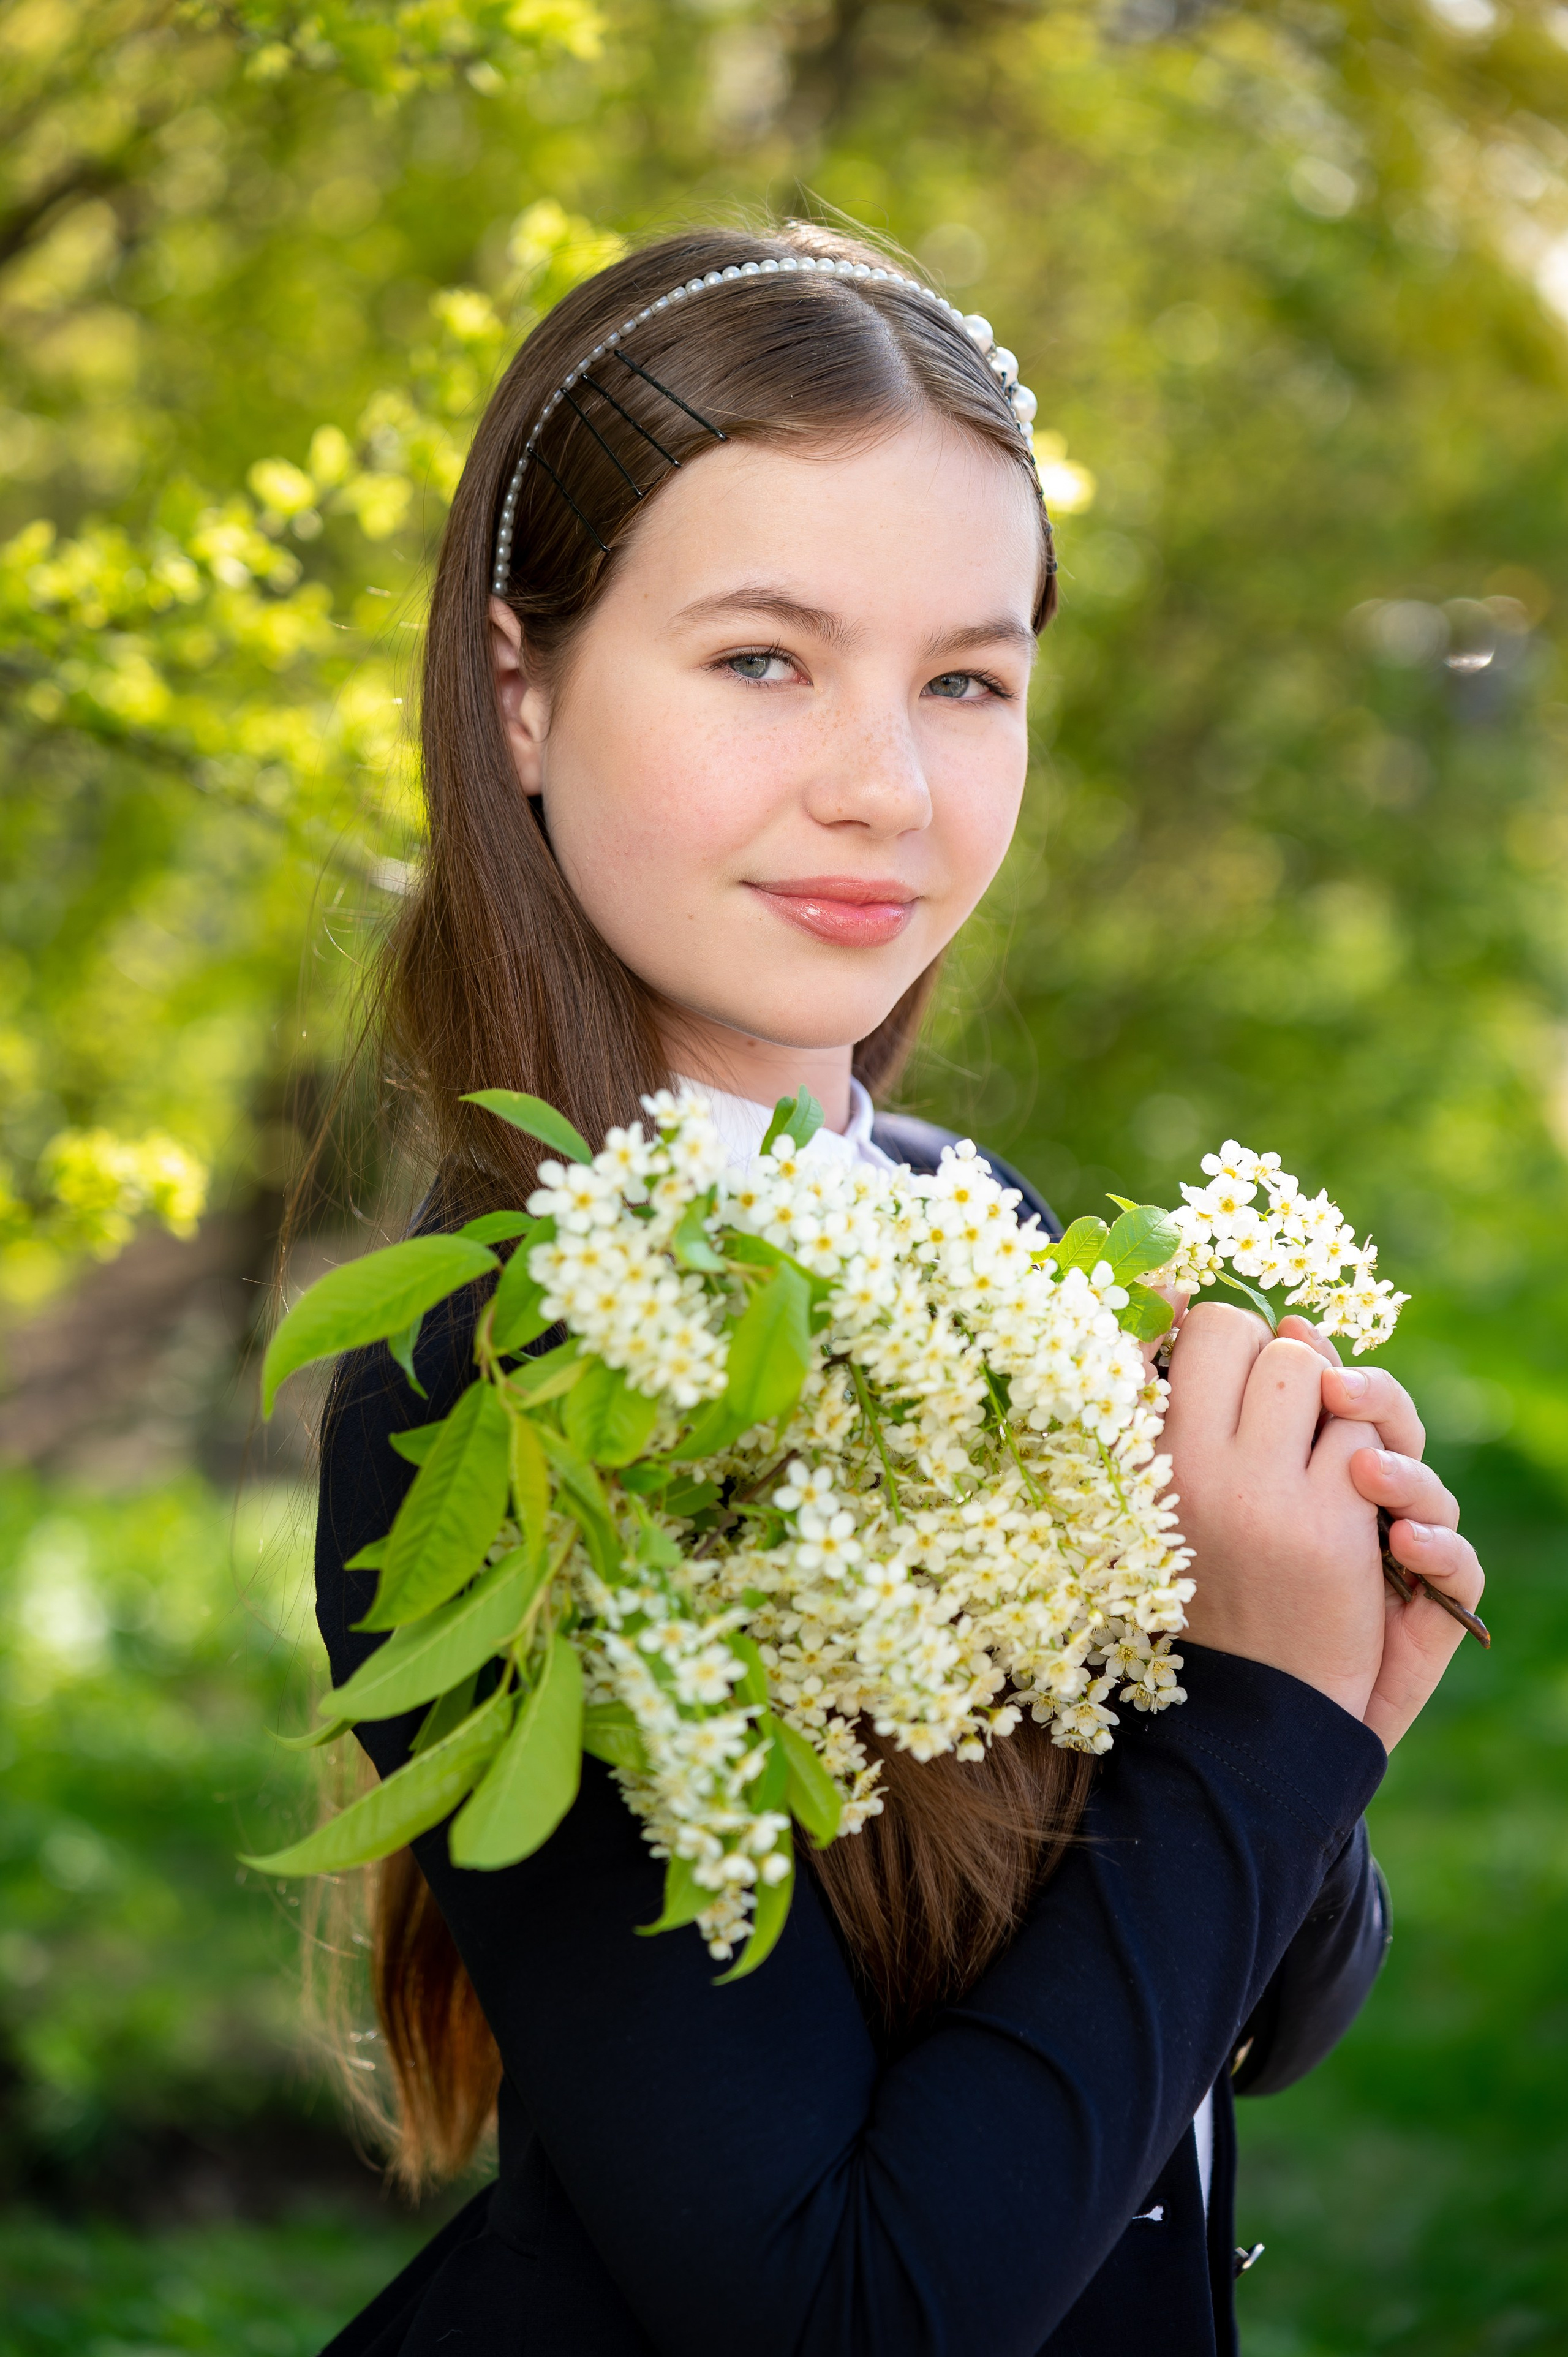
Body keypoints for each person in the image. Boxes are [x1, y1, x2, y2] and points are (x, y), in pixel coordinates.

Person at [309, 220, 1486, 2357]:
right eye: (765, 659)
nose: (888, 786)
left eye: (965, 680)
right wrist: (1260, 1733)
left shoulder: (982, 1226)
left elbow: (1240, 2032)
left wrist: (1321, 1708)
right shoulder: (509, 1375)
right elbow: (844, 2312)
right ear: (521, 690)